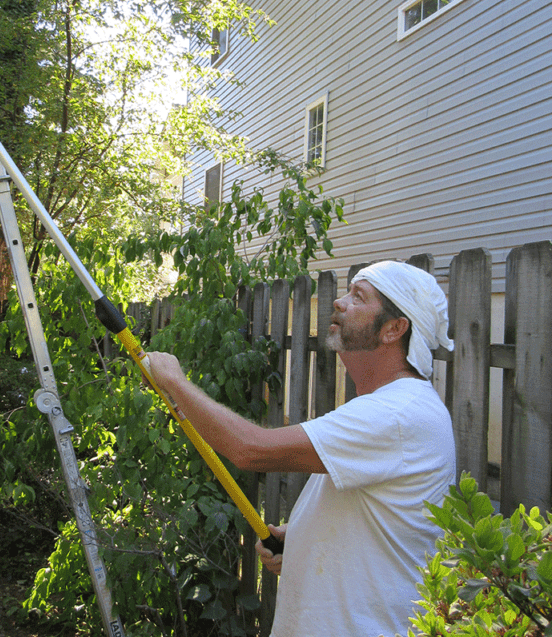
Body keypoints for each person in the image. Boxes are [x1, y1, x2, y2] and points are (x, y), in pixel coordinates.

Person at [147, 260, 456, 637]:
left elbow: (250, 450)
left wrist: (174, 382)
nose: (339, 303)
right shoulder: (391, 408)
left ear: (394, 329)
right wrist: (302, 538)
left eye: (358, 297)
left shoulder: (398, 413)